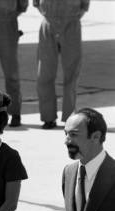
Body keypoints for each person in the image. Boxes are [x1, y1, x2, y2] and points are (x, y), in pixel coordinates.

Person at [34, 0, 90, 129]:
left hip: (71, 25)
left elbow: (84, 5)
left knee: (71, 74)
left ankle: (70, 118)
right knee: (44, 74)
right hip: (48, 25)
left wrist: (72, 17)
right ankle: (48, 118)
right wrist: (48, 16)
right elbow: (36, 3)